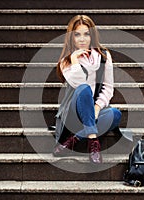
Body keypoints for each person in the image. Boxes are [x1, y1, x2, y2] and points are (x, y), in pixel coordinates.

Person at [53, 15, 122, 164]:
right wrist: (74, 60)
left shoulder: (104, 56)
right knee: (84, 88)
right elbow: (79, 84)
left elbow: (108, 88)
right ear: (71, 37)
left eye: (86, 34)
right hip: (73, 111)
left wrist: (97, 108)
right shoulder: (66, 60)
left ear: (92, 36)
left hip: (92, 112)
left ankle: (75, 139)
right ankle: (93, 144)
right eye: (77, 35)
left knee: (115, 114)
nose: (82, 39)